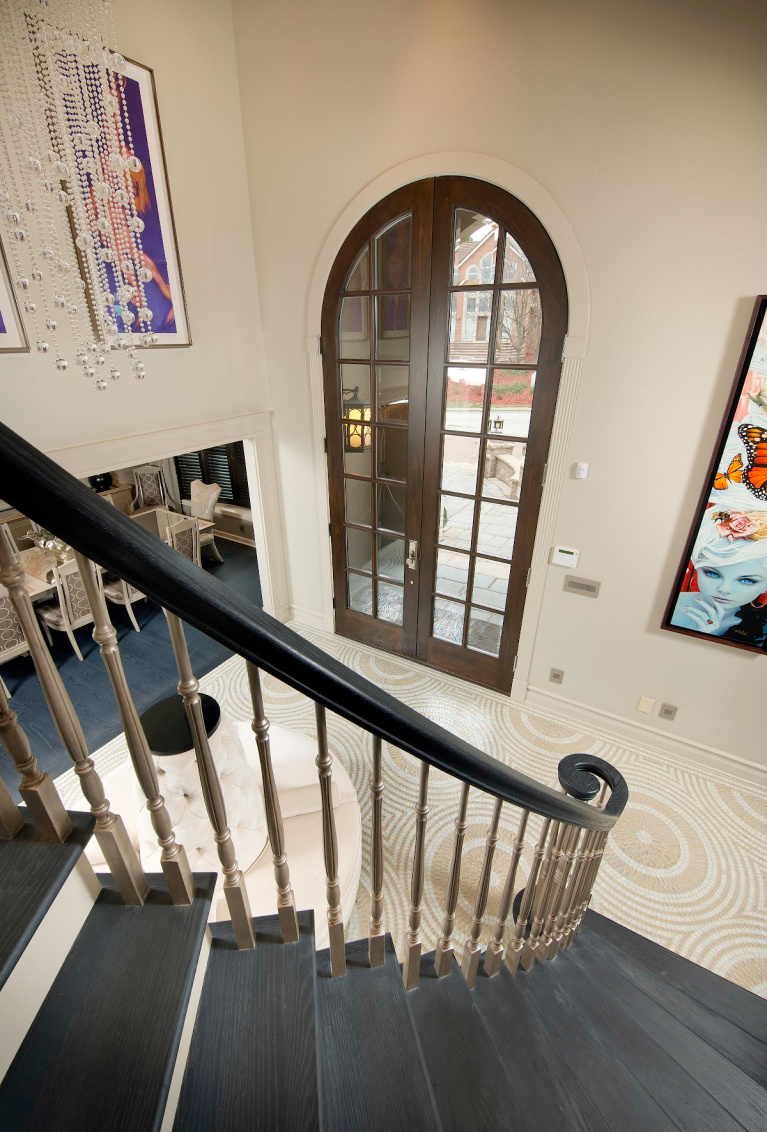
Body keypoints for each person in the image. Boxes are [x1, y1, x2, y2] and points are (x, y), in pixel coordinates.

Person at [671, 508, 767, 646]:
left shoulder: (763, 627)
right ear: (697, 567)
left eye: (747, 580)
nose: (724, 589)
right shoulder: (669, 606)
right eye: (712, 573)